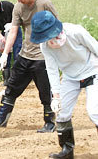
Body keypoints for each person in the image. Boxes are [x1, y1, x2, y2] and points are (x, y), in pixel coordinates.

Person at [0, 0, 56, 133]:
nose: (19, 1)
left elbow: (56, 26)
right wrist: (5, 54)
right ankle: (2, 118)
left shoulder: (44, 3)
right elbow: (13, 31)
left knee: (45, 91)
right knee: (11, 86)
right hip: (25, 55)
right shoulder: (18, 7)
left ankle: (49, 122)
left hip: (43, 57)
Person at [30, 10, 98, 159]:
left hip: (93, 71)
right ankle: (67, 151)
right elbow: (52, 70)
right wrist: (56, 96)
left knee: (95, 111)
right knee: (61, 113)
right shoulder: (45, 47)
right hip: (70, 77)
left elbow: (96, 48)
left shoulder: (76, 31)